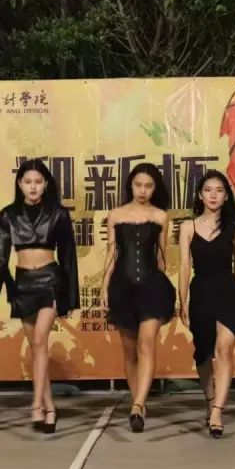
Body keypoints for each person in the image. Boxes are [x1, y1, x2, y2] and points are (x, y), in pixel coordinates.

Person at [0, 158, 79, 434]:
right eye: (28, 181)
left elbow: (68, 256)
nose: (33, 187)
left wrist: (70, 298)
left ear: (46, 184)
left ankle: (36, 404)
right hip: (22, 284)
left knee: (39, 341)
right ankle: (49, 407)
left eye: (38, 182)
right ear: (19, 184)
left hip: (50, 281)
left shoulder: (58, 214)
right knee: (36, 348)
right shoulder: (7, 215)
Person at [101, 163, 175, 433]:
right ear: (130, 186)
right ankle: (138, 404)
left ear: (155, 188)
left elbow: (161, 258)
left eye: (148, 186)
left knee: (146, 344)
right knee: (130, 350)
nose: (143, 190)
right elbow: (111, 254)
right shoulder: (116, 215)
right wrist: (104, 288)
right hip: (122, 287)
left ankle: (138, 405)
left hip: (152, 287)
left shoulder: (160, 216)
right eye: (138, 185)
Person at [178, 170, 235, 438]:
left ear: (226, 196)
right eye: (208, 190)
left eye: (219, 190)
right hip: (201, 293)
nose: (213, 195)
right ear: (200, 195)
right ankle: (209, 400)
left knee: (224, 349)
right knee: (204, 354)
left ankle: (217, 411)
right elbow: (185, 267)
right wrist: (182, 299)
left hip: (228, 292)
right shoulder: (188, 227)